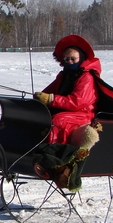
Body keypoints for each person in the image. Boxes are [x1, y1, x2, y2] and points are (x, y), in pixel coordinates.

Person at [33, 34, 101, 191]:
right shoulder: (64, 75)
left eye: (73, 59)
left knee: (58, 121)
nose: (69, 62)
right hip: (68, 110)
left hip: (82, 113)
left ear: (81, 58)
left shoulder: (86, 77)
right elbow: (50, 92)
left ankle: (56, 161)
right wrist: (38, 98)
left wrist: (51, 99)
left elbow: (78, 101)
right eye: (66, 59)